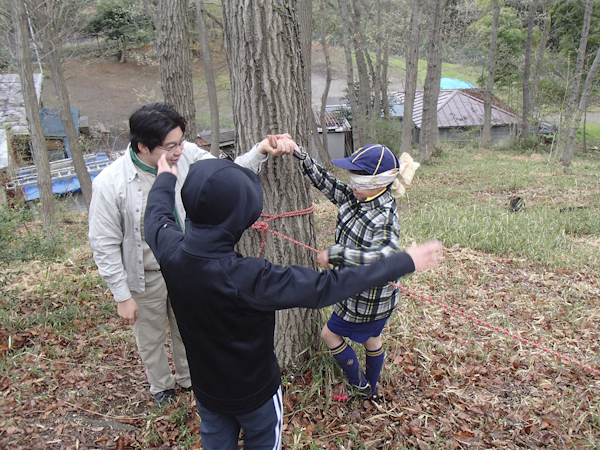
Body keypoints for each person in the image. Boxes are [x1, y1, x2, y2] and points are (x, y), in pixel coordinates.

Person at [143, 148, 441, 449]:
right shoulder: (250, 277)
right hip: (257, 396)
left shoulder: (169, 251)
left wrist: (165, 179)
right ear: (239, 221)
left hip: (207, 392)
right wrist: (404, 261)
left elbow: (156, 217)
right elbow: (327, 287)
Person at [88, 103, 295, 407]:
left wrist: (261, 150)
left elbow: (226, 176)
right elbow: (103, 242)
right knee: (150, 337)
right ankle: (161, 386)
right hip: (146, 275)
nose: (178, 151)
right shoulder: (111, 183)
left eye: (181, 142)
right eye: (170, 146)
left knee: (190, 329)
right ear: (143, 146)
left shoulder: (188, 157)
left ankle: (188, 379)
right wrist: (122, 295)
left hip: (189, 269)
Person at [295, 143, 420, 400]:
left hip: (367, 300)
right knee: (372, 339)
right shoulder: (356, 196)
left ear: (379, 182)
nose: (351, 184)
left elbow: (382, 258)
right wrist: (298, 153)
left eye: (357, 179)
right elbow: (326, 182)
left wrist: (337, 254)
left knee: (329, 334)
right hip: (363, 295)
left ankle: (359, 385)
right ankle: (372, 388)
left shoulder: (384, 216)